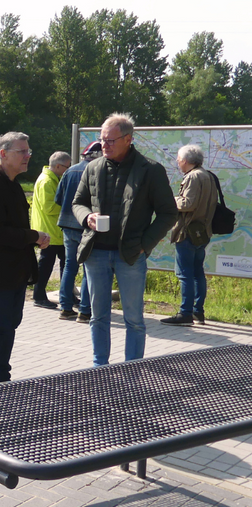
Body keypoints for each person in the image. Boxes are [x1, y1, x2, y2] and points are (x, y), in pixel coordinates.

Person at [72, 113, 176, 366]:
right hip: (95, 253)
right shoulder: (93, 167)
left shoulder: (150, 170)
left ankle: (132, 369)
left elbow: (168, 213)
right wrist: (87, 218)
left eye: (109, 140)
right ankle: (99, 366)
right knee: (98, 316)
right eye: (101, 140)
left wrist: (144, 244)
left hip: (130, 255)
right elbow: (78, 203)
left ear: (128, 139)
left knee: (134, 319)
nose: (103, 145)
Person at [0, 132, 49, 387]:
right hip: (0, 270)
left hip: (15, 269)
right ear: (3, 154)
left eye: (28, 151)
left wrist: (31, 238)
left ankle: (1, 378)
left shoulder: (12, 183)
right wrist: (33, 235)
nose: (27, 156)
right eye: (22, 151)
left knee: (9, 325)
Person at [161, 144, 218, 326]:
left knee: (185, 274)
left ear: (185, 160)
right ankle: (197, 312)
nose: (177, 162)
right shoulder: (208, 175)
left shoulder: (193, 177)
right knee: (197, 272)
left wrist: (169, 199)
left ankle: (185, 313)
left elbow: (188, 204)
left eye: (178, 159)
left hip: (187, 232)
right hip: (202, 232)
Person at [54, 141, 102, 322]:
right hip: (87, 226)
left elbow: (59, 198)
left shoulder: (69, 171)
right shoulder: (97, 171)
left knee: (69, 266)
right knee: (88, 267)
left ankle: (65, 308)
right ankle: (84, 311)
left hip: (67, 225)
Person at [29, 151, 71, 309]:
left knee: (65, 263)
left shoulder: (53, 179)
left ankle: (67, 294)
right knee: (47, 264)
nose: (68, 170)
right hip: (49, 231)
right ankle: (39, 296)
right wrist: (69, 205)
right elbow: (49, 207)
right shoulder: (47, 181)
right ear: (58, 166)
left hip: (54, 230)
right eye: (67, 167)